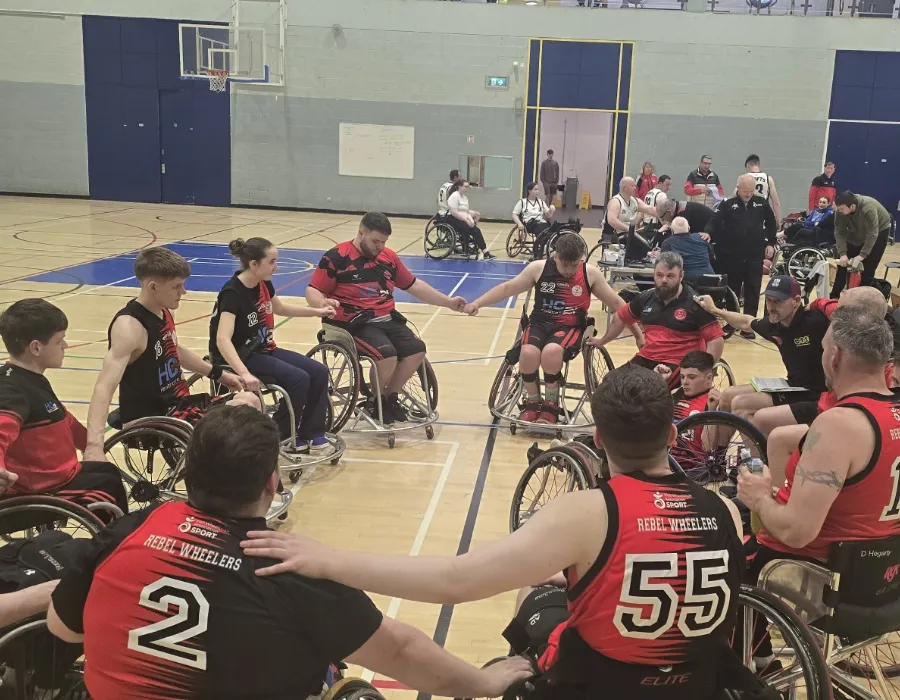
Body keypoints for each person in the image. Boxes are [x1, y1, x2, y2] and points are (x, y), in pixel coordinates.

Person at [241, 368, 747, 700]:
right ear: (672, 434)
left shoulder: (587, 513)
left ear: (597, 437)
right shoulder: (725, 509)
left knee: (533, 601)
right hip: (698, 686)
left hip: (601, 687)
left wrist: (330, 560)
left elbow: (455, 581)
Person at [46, 406, 531, 700]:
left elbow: (63, 628)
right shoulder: (286, 566)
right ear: (271, 483)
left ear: (187, 473)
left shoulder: (129, 528)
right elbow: (401, 651)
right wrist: (483, 683)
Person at [738, 307, 900, 576]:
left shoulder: (839, 424)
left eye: (823, 349)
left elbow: (795, 532)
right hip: (879, 574)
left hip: (807, 572)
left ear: (835, 356)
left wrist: (759, 498)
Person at [82, 249, 257, 462]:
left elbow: (175, 350)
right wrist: (94, 445)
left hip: (178, 405)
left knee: (250, 401)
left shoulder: (165, 311)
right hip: (153, 416)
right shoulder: (130, 327)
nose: (183, 291)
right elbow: (104, 388)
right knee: (239, 415)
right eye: (176, 286)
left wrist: (219, 374)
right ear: (153, 287)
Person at [306, 212, 466, 425]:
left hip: (385, 319)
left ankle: (389, 398)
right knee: (387, 355)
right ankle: (376, 400)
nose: (380, 246)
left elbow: (415, 286)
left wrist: (448, 302)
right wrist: (321, 303)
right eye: (375, 241)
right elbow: (313, 290)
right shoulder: (337, 256)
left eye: (383, 242)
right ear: (361, 234)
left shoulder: (388, 258)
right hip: (351, 322)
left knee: (417, 350)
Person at [464, 233, 639, 424]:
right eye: (565, 265)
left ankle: (551, 405)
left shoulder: (590, 274)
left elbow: (619, 305)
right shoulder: (538, 269)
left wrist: (638, 335)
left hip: (571, 326)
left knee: (551, 352)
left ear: (581, 259)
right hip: (539, 323)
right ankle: (533, 402)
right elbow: (507, 288)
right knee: (528, 353)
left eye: (574, 265)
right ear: (555, 256)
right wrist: (477, 303)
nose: (569, 270)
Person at [0, 299, 127, 517]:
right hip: (39, 490)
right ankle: (115, 536)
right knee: (108, 488)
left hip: (62, 475)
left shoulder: (31, 378)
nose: (65, 346)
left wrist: (90, 445)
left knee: (108, 472)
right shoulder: (11, 390)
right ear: (36, 348)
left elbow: (63, 419)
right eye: (59, 341)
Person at [210, 237, 336, 452]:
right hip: (241, 356)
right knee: (299, 379)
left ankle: (311, 433)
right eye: (272, 262)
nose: (276, 267)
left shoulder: (262, 283)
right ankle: (279, 434)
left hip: (264, 349)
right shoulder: (233, 293)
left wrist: (317, 311)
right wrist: (244, 373)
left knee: (319, 371)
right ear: (254, 264)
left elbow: (280, 308)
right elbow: (222, 339)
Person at [750, 286, 896, 438]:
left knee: (778, 437)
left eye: (841, 308)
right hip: (832, 400)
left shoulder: (851, 346)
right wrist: (815, 304)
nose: (835, 311)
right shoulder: (844, 320)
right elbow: (826, 304)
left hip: (845, 409)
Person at [695, 275, 830, 427]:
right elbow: (746, 322)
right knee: (727, 396)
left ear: (796, 301)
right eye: (768, 300)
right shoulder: (776, 324)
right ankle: (713, 444)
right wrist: (714, 310)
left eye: (778, 301)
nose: (770, 307)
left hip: (817, 394)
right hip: (794, 387)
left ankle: (758, 443)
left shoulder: (816, 321)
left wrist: (822, 304)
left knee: (741, 404)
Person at [590, 252, 724, 389]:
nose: (664, 280)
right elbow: (620, 317)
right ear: (654, 274)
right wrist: (602, 341)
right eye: (659, 275)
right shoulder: (645, 298)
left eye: (670, 276)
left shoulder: (696, 304)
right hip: (647, 357)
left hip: (678, 363)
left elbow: (716, 340)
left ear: (681, 276)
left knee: (647, 389)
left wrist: (704, 370)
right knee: (610, 383)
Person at [705, 174, 778, 340]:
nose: (748, 194)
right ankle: (732, 323)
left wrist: (771, 243)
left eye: (751, 191)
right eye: (745, 191)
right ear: (738, 189)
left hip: (754, 254)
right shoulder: (727, 204)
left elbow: (771, 223)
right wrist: (707, 232)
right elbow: (714, 220)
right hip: (733, 254)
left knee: (753, 288)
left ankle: (749, 325)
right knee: (733, 289)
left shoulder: (761, 203)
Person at [830, 190, 892, 298]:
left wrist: (862, 255)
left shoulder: (868, 208)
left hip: (880, 230)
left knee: (868, 268)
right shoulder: (840, 211)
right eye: (838, 208)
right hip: (856, 230)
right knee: (843, 266)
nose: (839, 211)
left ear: (852, 206)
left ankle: (861, 299)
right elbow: (839, 232)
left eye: (841, 209)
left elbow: (872, 234)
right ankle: (834, 297)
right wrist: (843, 253)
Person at [447, 180, 496, 260]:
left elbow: (467, 212)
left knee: (476, 230)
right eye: (465, 187)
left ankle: (485, 252)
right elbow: (454, 212)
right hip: (453, 218)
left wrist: (471, 221)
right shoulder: (454, 196)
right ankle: (465, 250)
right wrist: (466, 220)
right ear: (459, 187)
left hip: (462, 218)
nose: (467, 188)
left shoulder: (465, 198)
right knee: (466, 227)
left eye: (468, 187)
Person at [600, 177, 659, 243]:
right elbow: (612, 220)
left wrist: (664, 214)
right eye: (633, 186)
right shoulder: (615, 201)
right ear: (625, 188)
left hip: (627, 234)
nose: (635, 188)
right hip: (613, 236)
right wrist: (629, 229)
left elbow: (650, 209)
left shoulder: (635, 201)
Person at [660, 216, 715, 281]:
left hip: (686, 280)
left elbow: (665, 265)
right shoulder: (702, 237)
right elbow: (711, 256)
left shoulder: (667, 243)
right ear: (689, 228)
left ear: (672, 230)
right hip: (710, 278)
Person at [512, 181, 555, 254]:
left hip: (542, 223)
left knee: (551, 228)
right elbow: (514, 214)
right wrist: (519, 223)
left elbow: (548, 215)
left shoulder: (541, 202)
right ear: (529, 191)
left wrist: (551, 210)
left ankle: (551, 244)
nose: (537, 191)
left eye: (538, 189)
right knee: (540, 227)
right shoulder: (522, 202)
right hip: (529, 224)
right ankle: (543, 245)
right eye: (535, 189)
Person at [743, 155, 782, 225]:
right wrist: (778, 220)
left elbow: (734, 198)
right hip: (764, 214)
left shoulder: (744, 178)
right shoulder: (768, 179)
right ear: (758, 165)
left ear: (748, 166)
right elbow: (776, 202)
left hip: (748, 215)